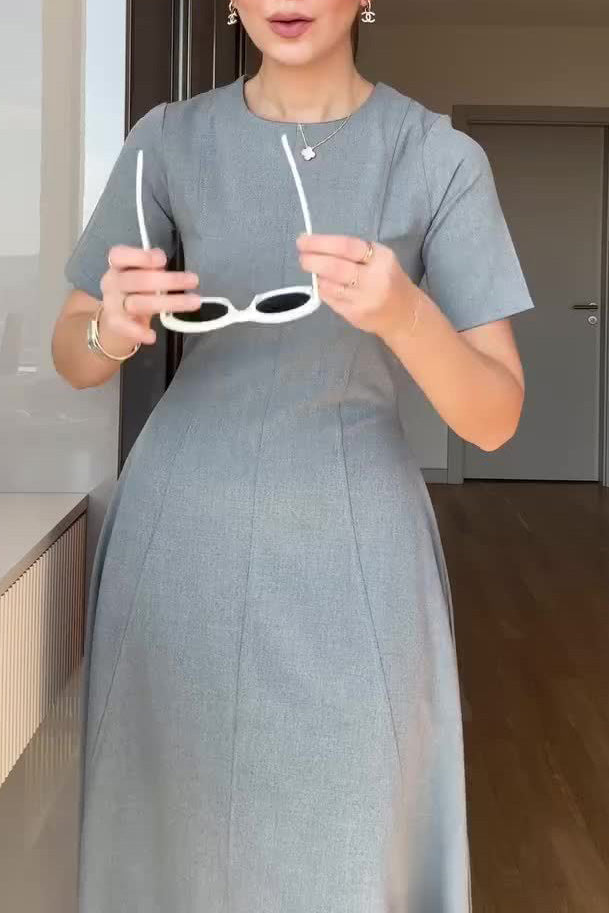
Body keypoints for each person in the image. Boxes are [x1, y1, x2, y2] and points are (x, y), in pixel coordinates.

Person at [52, 1, 534, 911]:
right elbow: (73, 351)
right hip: (179, 530)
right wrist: (110, 329)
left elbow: (495, 418)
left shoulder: (435, 157)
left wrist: (405, 315)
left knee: (352, 836)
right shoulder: (167, 142)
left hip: (354, 544)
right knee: (169, 832)